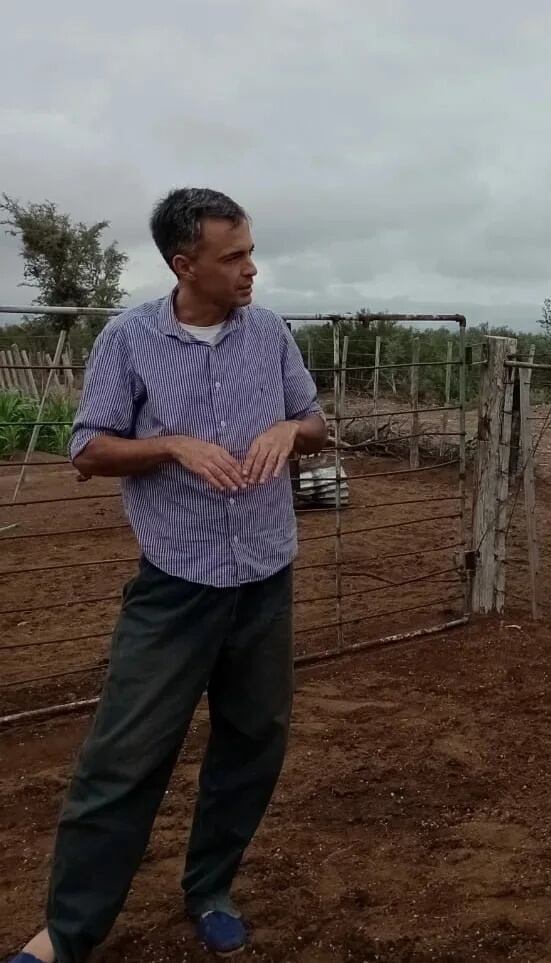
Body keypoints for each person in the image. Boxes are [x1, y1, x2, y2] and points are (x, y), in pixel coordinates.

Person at [9, 188, 327, 963]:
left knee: (253, 740)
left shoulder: (271, 334)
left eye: (250, 250)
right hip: (175, 584)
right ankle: (68, 933)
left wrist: (292, 428)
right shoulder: (129, 340)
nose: (251, 268)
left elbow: (315, 422)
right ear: (184, 265)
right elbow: (88, 450)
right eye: (233, 256)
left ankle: (210, 887)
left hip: (263, 579)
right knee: (124, 756)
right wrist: (174, 446)